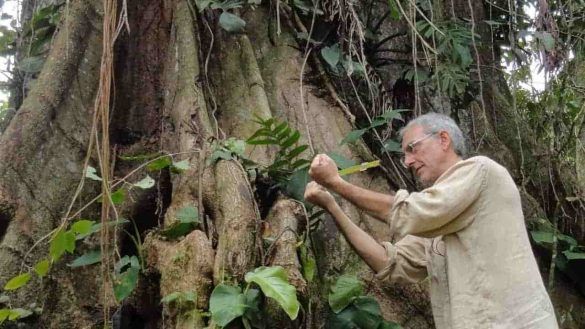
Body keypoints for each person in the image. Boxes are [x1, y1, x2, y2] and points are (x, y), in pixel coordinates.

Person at [304, 113, 558, 329]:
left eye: (412, 148)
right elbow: (389, 264)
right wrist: (332, 204)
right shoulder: (440, 220)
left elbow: (411, 212)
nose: (407, 162)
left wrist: (337, 183)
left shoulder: (480, 171)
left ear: (444, 139)